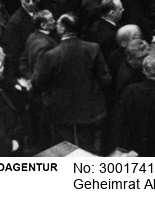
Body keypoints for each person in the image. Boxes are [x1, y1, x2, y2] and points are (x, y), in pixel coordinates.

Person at [31, 12, 111, 154]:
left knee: (67, 151)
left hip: (62, 112)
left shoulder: (52, 55)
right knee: (89, 149)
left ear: (62, 29)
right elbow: (105, 79)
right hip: (90, 110)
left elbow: (39, 83)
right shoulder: (93, 48)